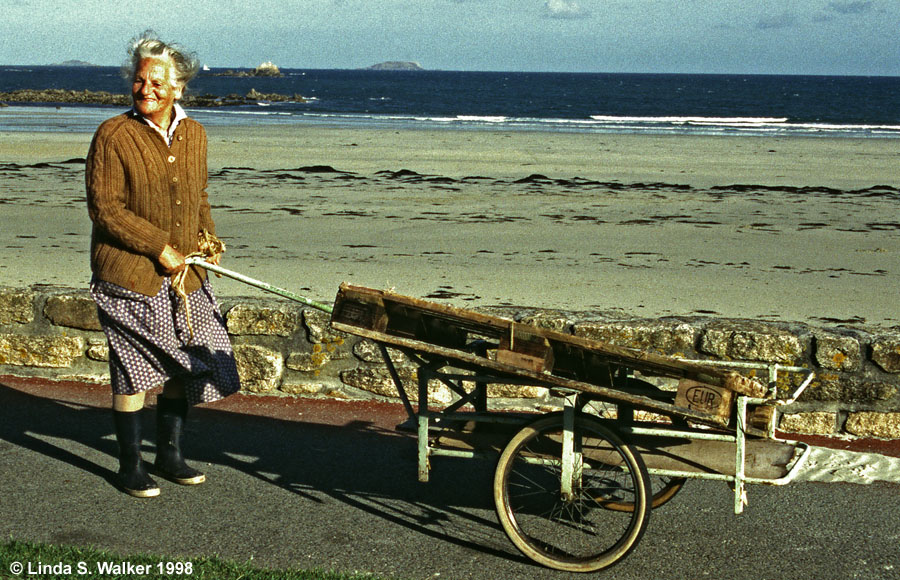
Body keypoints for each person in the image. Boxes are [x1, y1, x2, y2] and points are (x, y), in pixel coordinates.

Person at [86, 31, 241, 498]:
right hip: (128, 275)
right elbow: (106, 209)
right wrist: (159, 247)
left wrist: (207, 241)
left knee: (187, 366)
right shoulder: (113, 134)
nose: (146, 89)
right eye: (139, 80)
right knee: (133, 369)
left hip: (185, 275)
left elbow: (199, 197)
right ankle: (130, 464)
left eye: (157, 82)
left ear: (179, 87)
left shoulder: (195, 133)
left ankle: (170, 454)